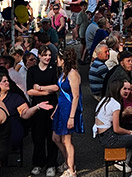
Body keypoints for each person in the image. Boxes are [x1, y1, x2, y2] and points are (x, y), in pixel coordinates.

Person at [93, 80, 132, 177]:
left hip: (102, 136)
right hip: (110, 138)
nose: (127, 91)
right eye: (124, 89)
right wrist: (130, 132)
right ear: (117, 89)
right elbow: (116, 129)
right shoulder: (115, 104)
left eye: (128, 89)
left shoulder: (105, 99)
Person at [26, 47, 59, 176]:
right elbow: (29, 90)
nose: (47, 57)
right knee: (37, 136)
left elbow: (56, 87)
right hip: (38, 106)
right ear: (39, 56)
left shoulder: (54, 69)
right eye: (45, 55)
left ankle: (51, 163)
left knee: (52, 136)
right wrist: (47, 91)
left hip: (51, 105)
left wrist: (40, 88)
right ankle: (38, 162)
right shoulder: (32, 70)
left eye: (49, 55)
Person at [52, 49, 83, 177]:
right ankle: (68, 161)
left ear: (63, 59)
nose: (56, 61)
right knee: (56, 138)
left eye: (58, 58)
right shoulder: (64, 73)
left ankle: (71, 170)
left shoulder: (72, 74)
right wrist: (56, 109)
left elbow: (75, 96)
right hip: (62, 108)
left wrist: (71, 117)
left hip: (69, 110)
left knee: (67, 140)